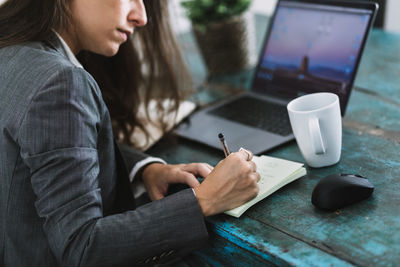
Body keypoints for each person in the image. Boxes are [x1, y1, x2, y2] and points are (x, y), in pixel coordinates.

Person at [0, 0, 260, 266]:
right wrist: (204, 200)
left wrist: (145, 170)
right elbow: (81, 247)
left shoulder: (12, 49)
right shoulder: (59, 83)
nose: (142, 17)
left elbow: (42, 146)